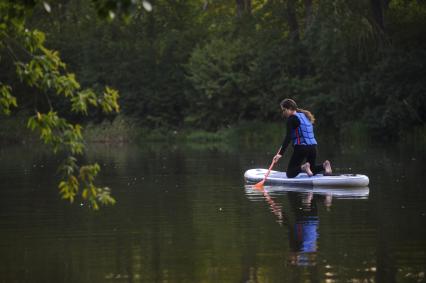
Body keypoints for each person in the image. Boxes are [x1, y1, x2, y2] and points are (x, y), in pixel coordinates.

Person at [273, 98, 332, 178]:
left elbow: (288, 137)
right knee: (312, 169)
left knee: (290, 173)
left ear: (290, 108)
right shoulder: (305, 116)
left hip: (301, 147)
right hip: (313, 148)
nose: (283, 113)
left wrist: (280, 154)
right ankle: (324, 165)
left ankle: (304, 167)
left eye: (284, 110)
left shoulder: (291, 119)